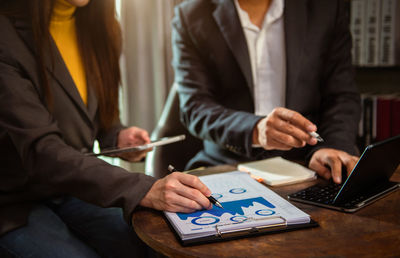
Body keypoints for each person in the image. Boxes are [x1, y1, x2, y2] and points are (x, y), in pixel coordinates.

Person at [0, 0, 213, 257]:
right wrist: (144, 188)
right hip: (14, 202)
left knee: (153, 246)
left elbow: (99, 119)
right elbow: (43, 151)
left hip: (74, 189)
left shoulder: (101, 25)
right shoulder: (6, 35)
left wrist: (117, 135)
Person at [172, 0, 361, 184]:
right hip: (226, 163)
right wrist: (254, 130)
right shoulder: (191, 15)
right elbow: (194, 108)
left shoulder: (325, 7)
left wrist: (332, 146)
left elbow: (341, 94)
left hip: (308, 161)